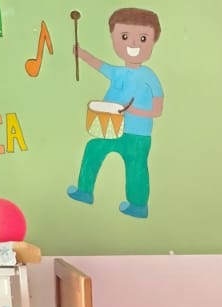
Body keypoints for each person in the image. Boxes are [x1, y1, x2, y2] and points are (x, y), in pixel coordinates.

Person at [69, 7, 164, 218]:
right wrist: (81, 54)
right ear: (113, 37)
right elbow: (99, 65)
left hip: (138, 135)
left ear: (153, 41)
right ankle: (85, 191)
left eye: (142, 38)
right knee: (94, 148)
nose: (133, 44)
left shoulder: (149, 77)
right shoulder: (117, 72)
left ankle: (138, 205)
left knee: (136, 166)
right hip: (112, 128)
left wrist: (134, 110)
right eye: (124, 36)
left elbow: (158, 109)